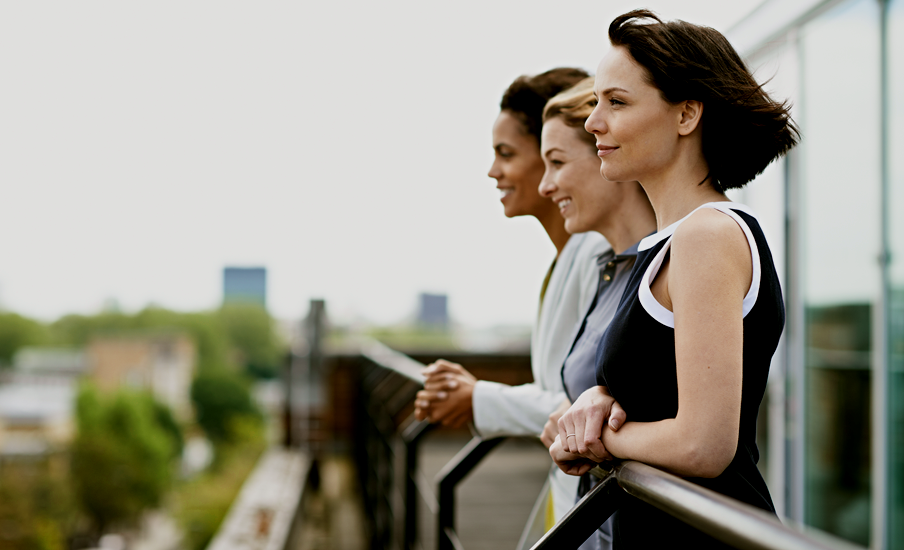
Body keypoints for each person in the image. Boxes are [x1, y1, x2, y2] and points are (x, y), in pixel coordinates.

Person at [550, 10, 799, 549]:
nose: (594, 121)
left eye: (616, 102)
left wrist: (601, 439)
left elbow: (705, 444)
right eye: (597, 102)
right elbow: (664, 385)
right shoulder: (671, 242)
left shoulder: (706, 235)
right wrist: (601, 395)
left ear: (686, 114)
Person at [414, 68, 609, 526]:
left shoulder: (600, 254)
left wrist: (478, 397)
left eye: (506, 153)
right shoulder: (569, 257)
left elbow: (575, 404)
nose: (492, 171)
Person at [536, 77, 656, 550]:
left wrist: (592, 430)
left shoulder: (661, 270)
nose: (546, 186)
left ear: (604, 154)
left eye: (558, 162)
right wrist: (568, 416)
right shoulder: (607, 269)